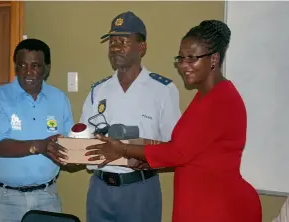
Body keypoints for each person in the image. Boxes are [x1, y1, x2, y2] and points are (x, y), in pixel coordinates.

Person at [86, 20, 263, 222]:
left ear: (213, 59)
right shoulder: (204, 96)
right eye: (181, 58)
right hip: (198, 198)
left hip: (217, 204)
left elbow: (178, 153)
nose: (184, 66)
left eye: (192, 59)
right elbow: (181, 146)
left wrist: (123, 150)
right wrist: (145, 157)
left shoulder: (222, 100)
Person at [79, 11, 181, 222]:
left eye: (122, 41)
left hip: (139, 189)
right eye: (111, 42)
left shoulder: (162, 89)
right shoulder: (98, 90)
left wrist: (144, 158)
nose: (115, 48)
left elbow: (174, 147)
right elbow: (83, 138)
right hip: (100, 189)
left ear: (141, 47)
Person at [0, 38, 73, 222]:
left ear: (47, 68)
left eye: (35, 65)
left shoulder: (59, 99)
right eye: (22, 65)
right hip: (1, 200)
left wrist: (77, 157)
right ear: (16, 67)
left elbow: (68, 142)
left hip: (46, 198)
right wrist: (41, 146)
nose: (28, 72)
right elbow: (0, 147)